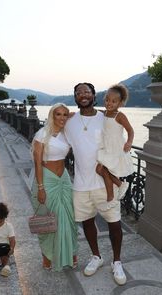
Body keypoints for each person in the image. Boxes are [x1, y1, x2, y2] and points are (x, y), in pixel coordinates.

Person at [64, 82, 126, 285]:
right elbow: (53, 138)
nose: (83, 94)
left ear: (93, 95)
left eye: (86, 91)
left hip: (104, 182)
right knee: (87, 221)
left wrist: (120, 170)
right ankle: (96, 257)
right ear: (75, 98)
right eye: (78, 92)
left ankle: (117, 261)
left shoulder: (106, 117)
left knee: (115, 223)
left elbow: (119, 140)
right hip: (81, 183)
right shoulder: (69, 122)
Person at [32, 103, 78, 271]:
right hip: (47, 179)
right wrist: (41, 187)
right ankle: (47, 255)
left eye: (65, 115)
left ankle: (71, 252)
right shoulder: (42, 134)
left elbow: (81, 115)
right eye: (58, 114)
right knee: (49, 219)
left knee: (69, 217)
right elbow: (37, 163)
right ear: (52, 115)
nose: (62, 118)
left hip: (64, 178)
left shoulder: (67, 134)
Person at [96, 84, 134, 211]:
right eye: (107, 100)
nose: (109, 103)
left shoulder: (120, 116)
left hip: (116, 148)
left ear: (120, 103)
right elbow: (93, 113)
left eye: (113, 101)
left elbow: (130, 130)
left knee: (102, 169)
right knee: (100, 169)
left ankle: (111, 198)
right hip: (106, 147)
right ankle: (119, 185)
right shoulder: (104, 113)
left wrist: (129, 142)